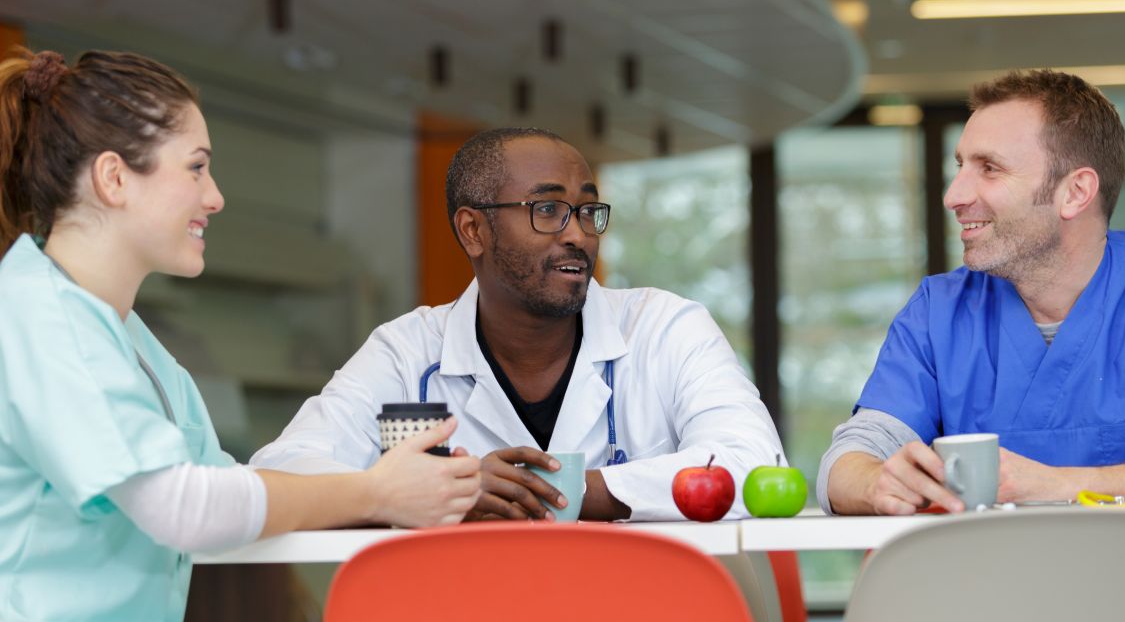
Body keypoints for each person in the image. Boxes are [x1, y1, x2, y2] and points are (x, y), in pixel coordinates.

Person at [0, 48, 482, 622]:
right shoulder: (38, 314)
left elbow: (224, 490)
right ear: (114, 179)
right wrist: (374, 493)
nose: (215, 196)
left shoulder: (132, 344)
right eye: (196, 168)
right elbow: (184, 507)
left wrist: (400, 488)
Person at [251, 127, 783, 521]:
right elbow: (283, 471)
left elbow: (754, 464)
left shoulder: (665, 328)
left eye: (587, 211)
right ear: (472, 230)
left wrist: (555, 492)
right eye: (548, 209)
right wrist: (443, 488)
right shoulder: (406, 351)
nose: (578, 234)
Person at [819, 69, 1125, 516]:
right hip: (986, 583)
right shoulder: (938, 313)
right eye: (960, 166)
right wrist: (874, 483)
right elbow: (844, 464)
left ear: (1075, 192)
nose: (954, 195)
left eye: (990, 169)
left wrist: (1062, 485)